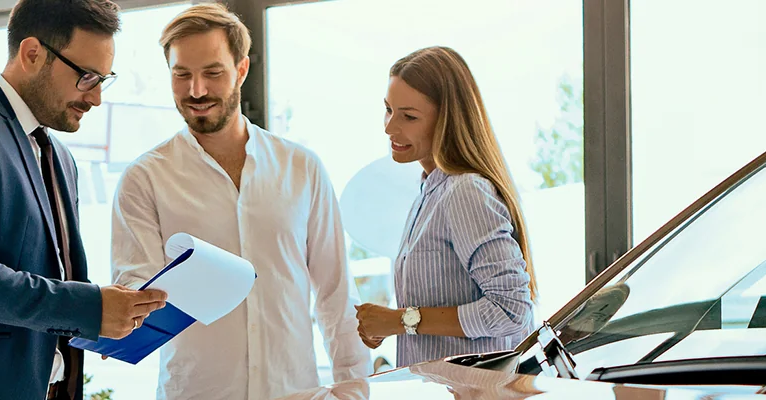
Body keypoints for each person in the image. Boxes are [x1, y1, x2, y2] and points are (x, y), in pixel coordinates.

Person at [0, 1, 167, 399]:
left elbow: (46, 276)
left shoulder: (60, 157)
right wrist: (87, 308)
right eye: (87, 77)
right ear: (32, 54)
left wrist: (107, 319)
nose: (96, 99)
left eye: (103, 81)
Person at [109, 4, 371, 399]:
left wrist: (354, 389)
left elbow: (335, 294)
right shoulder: (143, 179)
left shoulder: (302, 168)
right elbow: (135, 297)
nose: (197, 90)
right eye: (182, 75)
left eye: (213, 73)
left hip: (295, 391)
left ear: (242, 70)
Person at [353, 46, 537, 367]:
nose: (389, 128)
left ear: (447, 120)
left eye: (408, 116)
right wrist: (391, 324)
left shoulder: (466, 191)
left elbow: (511, 309)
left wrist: (401, 321)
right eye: (388, 110)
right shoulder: (429, 191)